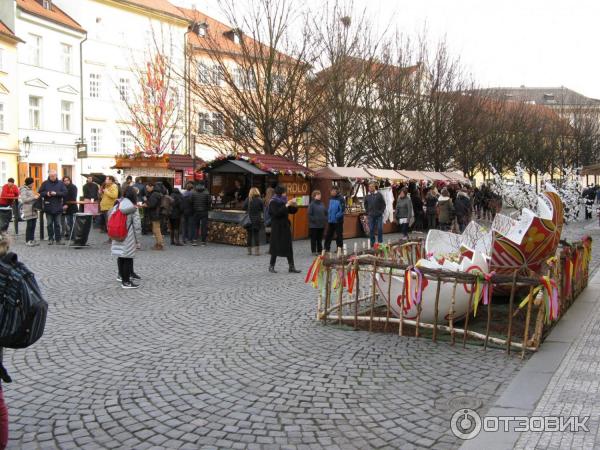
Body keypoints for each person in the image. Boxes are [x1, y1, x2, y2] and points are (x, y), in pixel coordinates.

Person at [110, 186, 142, 289]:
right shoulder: (133, 207)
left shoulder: (117, 204)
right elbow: (137, 225)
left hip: (117, 233)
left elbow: (110, 218)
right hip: (128, 235)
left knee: (121, 255)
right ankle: (126, 282)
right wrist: (138, 241)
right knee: (128, 258)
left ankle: (121, 276)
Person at [268, 185, 300, 273]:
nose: (286, 194)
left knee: (288, 246)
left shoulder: (284, 201)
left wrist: (294, 204)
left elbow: (292, 211)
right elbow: (276, 213)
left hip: (285, 226)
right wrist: (286, 205)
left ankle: (291, 267)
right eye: (284, 192)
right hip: (277, 227)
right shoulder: (273, 202)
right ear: (280, 193)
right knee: (275, 246)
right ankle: (271, 266)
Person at [38, 170, 67, 245]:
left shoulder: (61, 183)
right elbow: (40, 193)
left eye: (54, 176)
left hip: (58, 207)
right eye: (51, 176)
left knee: (58, 224)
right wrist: (46, 193)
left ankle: (58, 239)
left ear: (56, 175)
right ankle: (50, 238)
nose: (52, 177)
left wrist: (56, 193)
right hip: (48, 207)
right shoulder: (45, 183)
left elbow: (65, 193)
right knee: (49, 224)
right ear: (49, 176)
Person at [364, 182, 386, 247]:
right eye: (369, 187)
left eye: (372, 187)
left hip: (379, 215)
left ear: (374, 187)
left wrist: (381, 212)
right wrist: (368, 212)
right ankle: (372, 243)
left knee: (380, 228)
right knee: (371, 229)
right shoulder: (367, 196)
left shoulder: (379, 195)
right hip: (371, 215)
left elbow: (383, 204)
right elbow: (365, 204)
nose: (370, 188)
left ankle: (380, 242)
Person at [324, 187, 345, 253]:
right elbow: (330, 208)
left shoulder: (341, 199)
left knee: (339, 235)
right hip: (331, 220)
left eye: (333, 191)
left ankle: (339, 248)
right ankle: (326, 248)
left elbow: (342, 210)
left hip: (338, 220)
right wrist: (329, 215)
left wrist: (336, 216)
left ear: (337, 191)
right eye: (331, 191)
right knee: (328, 235)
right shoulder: (331, 198)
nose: (332, 192)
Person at [243, 187, 263, 255]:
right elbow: (262, 209)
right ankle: (257, 252)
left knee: (249, 235)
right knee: (256, 235)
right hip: (257, 219)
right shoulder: (260, 200)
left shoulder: (248, 199)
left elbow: (243, 207)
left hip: (249, 220)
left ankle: (249, 251)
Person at [20, 177, 40, 246]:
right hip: (28, 210)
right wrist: (34, 197)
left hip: (33, 209)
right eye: (32, 183)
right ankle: (28, 240)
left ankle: (32, 239)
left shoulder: (30, 189)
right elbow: (24, 199)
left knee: (33, 225)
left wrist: (36, 196)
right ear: (29, 183)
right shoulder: (24, 189)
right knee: (29, 226)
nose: (33, 184)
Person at [144, 182, 164, 250]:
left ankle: (160, 244)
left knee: (156, 229)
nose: (147, 189)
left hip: (156, 214)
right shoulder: (156, 193)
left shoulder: (154, 194)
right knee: (155, 229)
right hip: (156, 213)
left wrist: (146, 203)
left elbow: (152, 204)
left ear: (152, 187)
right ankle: (158, 243)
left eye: (147, 188)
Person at [308, 190, 327, 255]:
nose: (319, 196)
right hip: (314, 225)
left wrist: (325, 219)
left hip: (321, 225)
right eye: (317, 195)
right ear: (314, 196)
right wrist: (315, 220)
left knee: (319, 239)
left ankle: (320, 250)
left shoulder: (322, 204)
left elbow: (325, 212)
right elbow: (310, 215)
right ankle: (313, 251)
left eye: (320, 195)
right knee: (314, 239)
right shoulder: (311, 204)